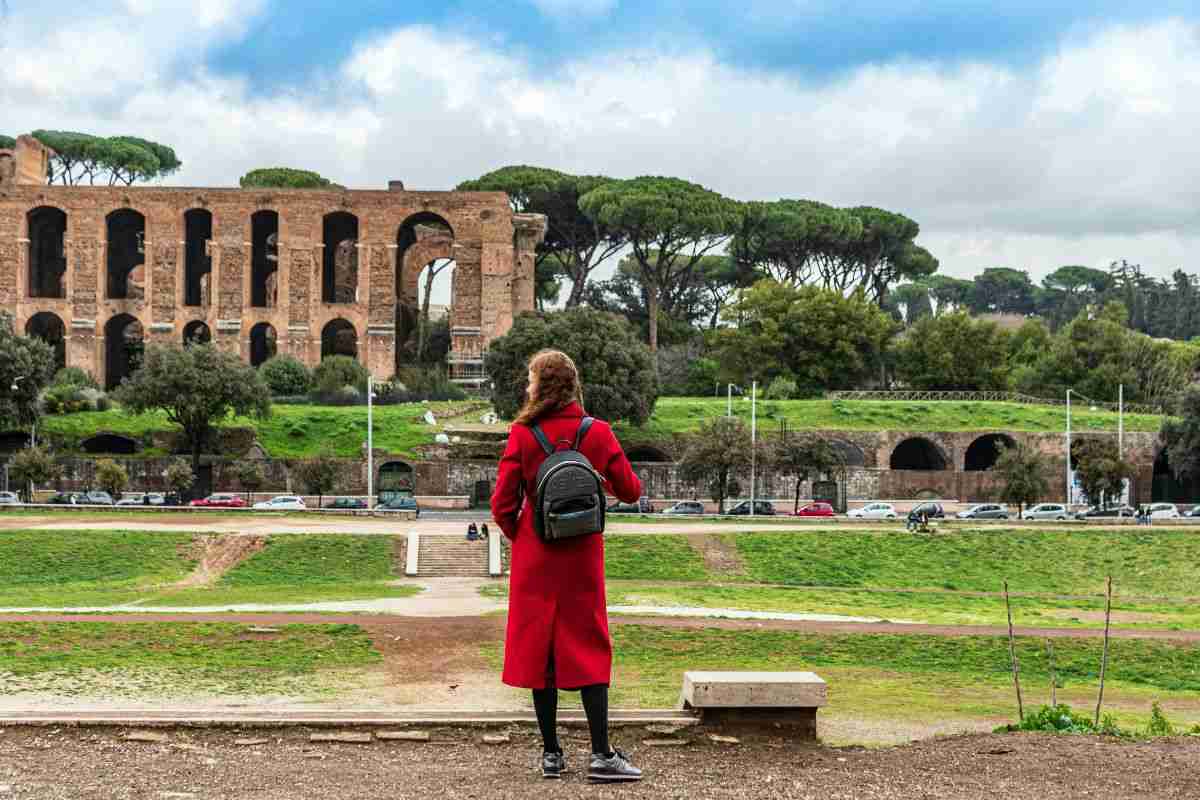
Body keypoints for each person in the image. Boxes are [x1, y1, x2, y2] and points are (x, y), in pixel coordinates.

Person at [491, 349, 644, 783]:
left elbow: (502, 504)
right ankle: (601, 754)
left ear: (540, 386)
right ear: (573, 385)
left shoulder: (522, 435)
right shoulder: (597, 432)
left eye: (529, 380)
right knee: (590, 645)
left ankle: (552, 755)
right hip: (581, 557)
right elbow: (631, 491)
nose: (526, 387)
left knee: (543, 650)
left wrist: (523, 536)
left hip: (534, 557)